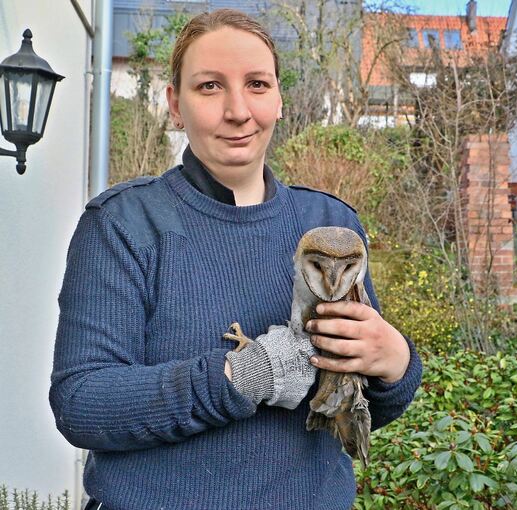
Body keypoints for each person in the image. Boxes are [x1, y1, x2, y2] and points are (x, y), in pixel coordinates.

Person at [50, 9, 422, 510]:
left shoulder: (330, 224)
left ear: (280, 100)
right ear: (174, 105)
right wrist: (240, 377)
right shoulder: (124, 224)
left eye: (257, 84)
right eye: (209, 87)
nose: (238, 110)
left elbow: (355, 403)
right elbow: (83, 403)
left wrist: (394, 364)